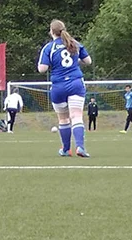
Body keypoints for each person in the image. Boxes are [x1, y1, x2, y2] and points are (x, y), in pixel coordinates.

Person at [37, 19, 92, 157]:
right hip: (75, 83)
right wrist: (75, 61)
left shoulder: (49, 47)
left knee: (63, 119)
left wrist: (52, 64)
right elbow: (88, 61)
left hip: (58, 86)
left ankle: (66, 149)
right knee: (76, 116)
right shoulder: (75, 43)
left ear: (51, 31)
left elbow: (42, 69)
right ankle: (80, 147)